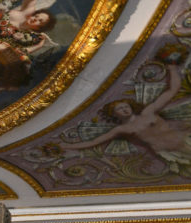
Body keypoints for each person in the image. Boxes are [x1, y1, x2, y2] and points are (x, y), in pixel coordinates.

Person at [61, 64, 191, 171]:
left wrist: (172, 69)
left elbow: (172, 90)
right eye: (119, 109)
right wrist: (67, 146)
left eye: (125, 106)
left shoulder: (148, 112)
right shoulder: (122, 129)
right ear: (114, 114)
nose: (124, 109)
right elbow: (94, 142)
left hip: (184, 140)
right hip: (169, 153)